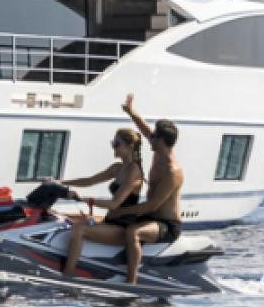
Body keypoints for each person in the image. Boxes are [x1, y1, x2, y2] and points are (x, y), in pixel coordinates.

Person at [112, 93, 184, 285]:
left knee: (132, 232)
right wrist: (130, 111)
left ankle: (131, 282)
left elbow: (152, 205)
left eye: (153, 137)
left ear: (160, 141)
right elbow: (144, 127)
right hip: (150, 217)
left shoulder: (172, 172)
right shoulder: (158, 152)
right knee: (110, 221)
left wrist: (121, 210)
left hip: (166, 224)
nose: (149, 138)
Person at [59, 127, 146, 277]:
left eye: (117, 144)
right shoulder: (117, 168)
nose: (113, 147)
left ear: (130, 146)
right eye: (113, 143)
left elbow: (114, 204)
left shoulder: (134, 171)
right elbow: (90, 180)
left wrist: (82, 198)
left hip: (123, 227)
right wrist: (60, 182)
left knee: (79, 229)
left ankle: (68, 274)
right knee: (69, 220)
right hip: (110, 221)